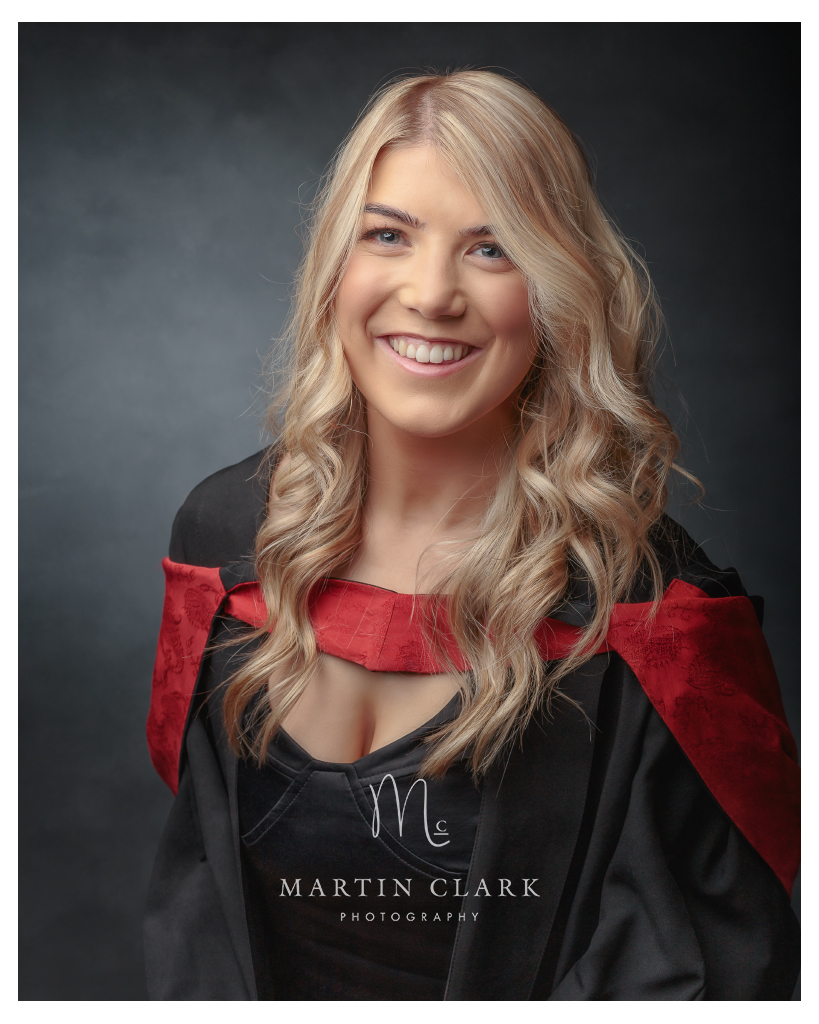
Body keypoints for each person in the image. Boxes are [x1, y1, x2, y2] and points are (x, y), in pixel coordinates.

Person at [144, 70, 800, 1000]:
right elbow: (199, 904)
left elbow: (704, 971)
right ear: (336, 263)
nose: (431, 292)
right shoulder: (227, 537)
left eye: (491, 249)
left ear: (555, 289)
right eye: (387, 235)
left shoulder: (651, 617)